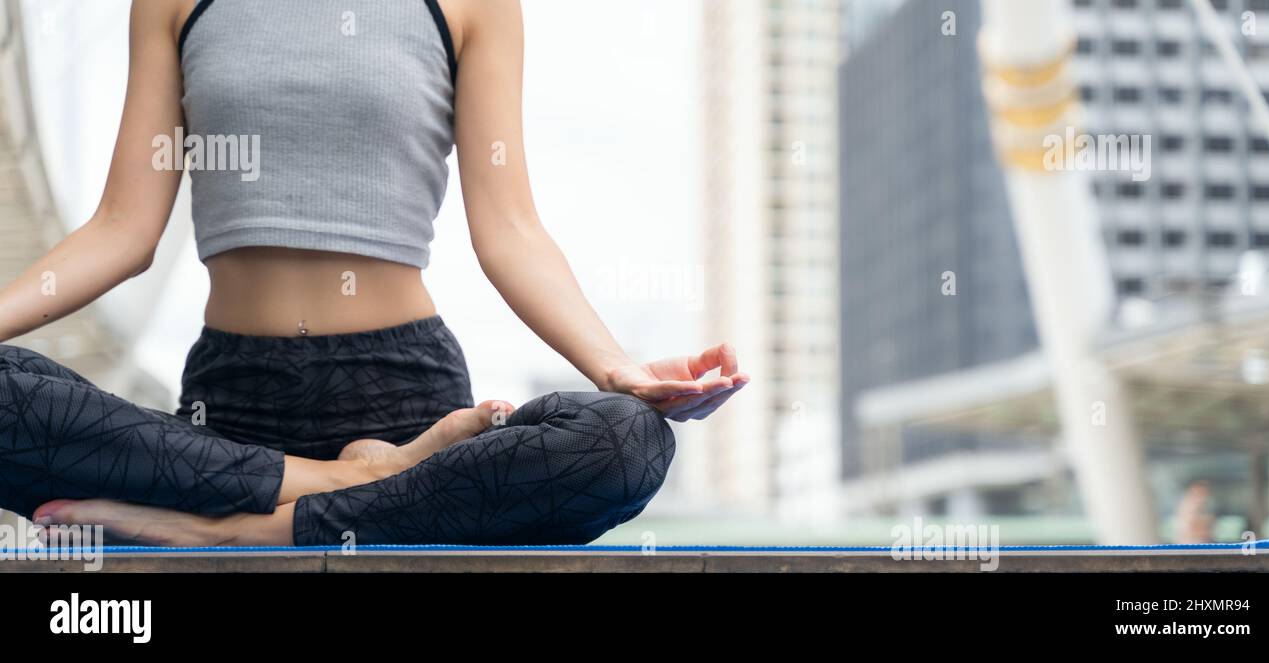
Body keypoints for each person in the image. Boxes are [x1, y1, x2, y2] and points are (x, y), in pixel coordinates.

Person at [0, 0, 748, 546]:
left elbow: (511, 232)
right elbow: (121, 231)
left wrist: (618, 371)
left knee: (626, 441)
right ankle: (341, 491)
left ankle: (231, 534)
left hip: (409, 409)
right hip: (228, 423)